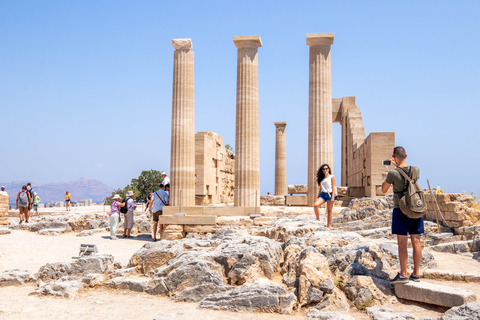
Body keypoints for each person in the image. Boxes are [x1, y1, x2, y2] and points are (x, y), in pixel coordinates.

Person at [382, 146, 423, 283]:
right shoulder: (416, 170)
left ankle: (403, 274)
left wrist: (390, 170)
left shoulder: (393, 173)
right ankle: (416, 273)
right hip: (415, 208)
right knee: (416, 240)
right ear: (406, 155)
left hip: (400, 209)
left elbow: (383, 190)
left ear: (394, 157)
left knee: (402, 242)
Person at [313, 164, 336, 229]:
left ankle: (328, 225)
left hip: (330, 194)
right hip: (323, 194)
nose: (325, 170)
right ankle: (318, 219)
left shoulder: (332, 177)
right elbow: (320, 188)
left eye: (326, 168)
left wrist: (332, 197)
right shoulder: (321, 178)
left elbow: (333, 187)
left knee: (329, 211)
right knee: (316, 205)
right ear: (322, 170)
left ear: (328, 169)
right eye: (324, 169)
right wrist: (317, 197)